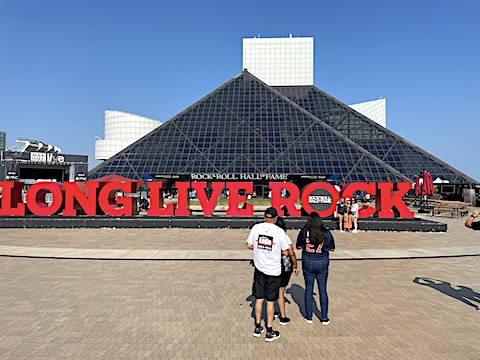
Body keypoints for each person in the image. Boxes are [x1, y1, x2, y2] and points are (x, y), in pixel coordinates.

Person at [246, 207, 290, 342]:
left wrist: (259, 248)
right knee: (270, 301)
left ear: (265, 217)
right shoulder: (279, 232)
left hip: (259, 269)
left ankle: (258, 327)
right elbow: (286, 251)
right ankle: (269, 330)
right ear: (276, 218)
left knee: (259, 299)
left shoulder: (256, 228)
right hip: (273, 271)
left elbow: (248, 245)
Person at [296, 212, 335, 325]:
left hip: (308, 261)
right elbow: (332, 248)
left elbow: (298, 246)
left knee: (309, 289)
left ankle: (309, 317)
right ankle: (324, 318)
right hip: (322, 261)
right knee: (322, 290)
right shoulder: (326, 232)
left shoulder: (304, 232)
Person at [274, 216, 299, 325]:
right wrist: (296, 266)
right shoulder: (285, 237)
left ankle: (273, 309)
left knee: (272, 288)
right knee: (281, 291)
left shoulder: (269, 235)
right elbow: (291, 252)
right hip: (284, 266)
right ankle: (282, 316)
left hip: (271, 265)